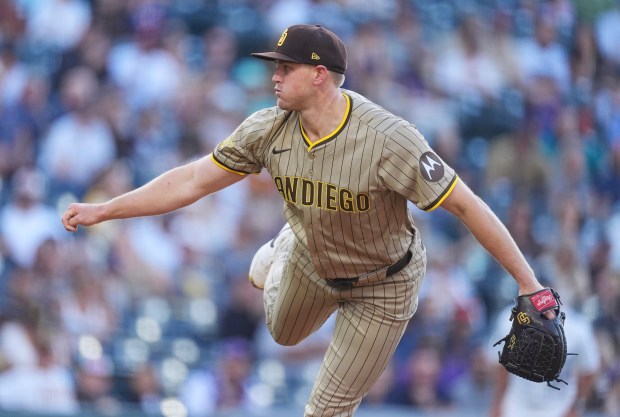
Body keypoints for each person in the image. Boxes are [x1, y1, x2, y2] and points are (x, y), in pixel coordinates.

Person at [62, 24, 554, 416]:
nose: (274, 75)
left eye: (285, 67)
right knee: (282, 333)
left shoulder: (389, 139)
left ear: (320, 75)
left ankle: (283, 249)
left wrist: (529, 283)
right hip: (312, 260)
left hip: (383, 285)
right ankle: (281, 250)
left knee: (326, 410)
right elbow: (192, 181)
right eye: (275, 66)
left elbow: (465, 204)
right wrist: (107, 209)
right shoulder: (266, 127)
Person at [487, 299, 600, 417]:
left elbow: (589, 370)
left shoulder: (577, 327)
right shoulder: (510, 319)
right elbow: (500, 365)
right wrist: (497, 403)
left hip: (559, 408)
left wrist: (575, 406)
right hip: (516, 406)